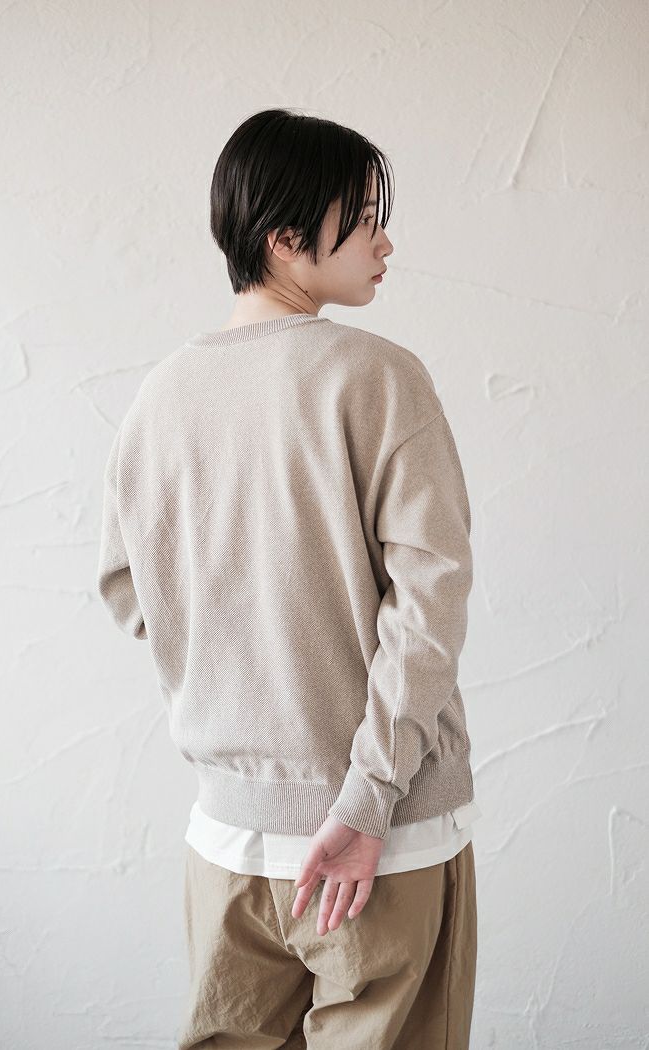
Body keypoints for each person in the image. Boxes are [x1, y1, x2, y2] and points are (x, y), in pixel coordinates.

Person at [97, 107, 480, 1049]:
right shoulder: (378, 377)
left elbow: (127, 589)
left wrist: (244, 658)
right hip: (381, 841)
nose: (385, 243)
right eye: (363, 219)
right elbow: (429, 605)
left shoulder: (159, 398)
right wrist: (366, 798)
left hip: (228, 845)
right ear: (283, 237)